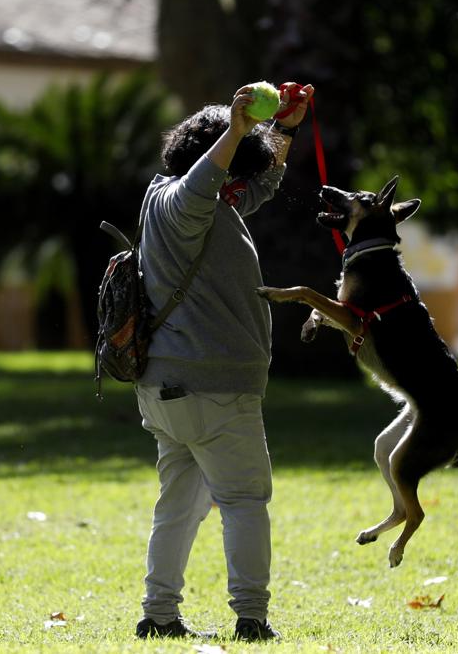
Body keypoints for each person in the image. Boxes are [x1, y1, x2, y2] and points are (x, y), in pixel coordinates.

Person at [132, 82, 313, 641]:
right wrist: (238, 129)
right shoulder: (185, 204)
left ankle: (159, 616)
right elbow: (209, 181)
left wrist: (279, 130)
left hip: (166, 387)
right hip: (214, 388)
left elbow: (256, 186)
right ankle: (252, 619)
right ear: (216, 156)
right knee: (243, 499)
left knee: (179, 506)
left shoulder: (178, 199)